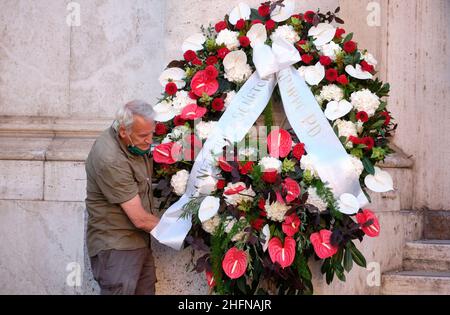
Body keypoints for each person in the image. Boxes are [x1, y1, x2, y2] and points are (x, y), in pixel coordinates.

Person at [85, 100, 160, 295]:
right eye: (144, 135)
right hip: (117, 247)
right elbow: (140, 219)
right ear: (123, 131)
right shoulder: (110, 157)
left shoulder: (134, 143)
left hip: (137, 242)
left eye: (152, 133)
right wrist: (181, 231)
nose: (150, 140)